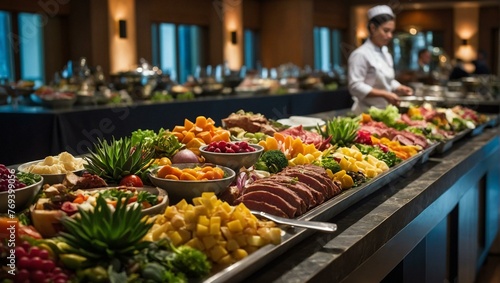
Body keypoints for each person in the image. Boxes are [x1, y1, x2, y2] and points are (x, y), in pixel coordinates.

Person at [347, 5, 413, 115]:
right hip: (365, 113)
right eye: (386, 31)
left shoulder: (385, 53)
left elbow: (386, 80)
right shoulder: (360, 54)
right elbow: (355, 86)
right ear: (373, 28)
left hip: (384, 111)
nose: (390, 35)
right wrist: (384, 94)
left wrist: (398, 87)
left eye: (391, 31)